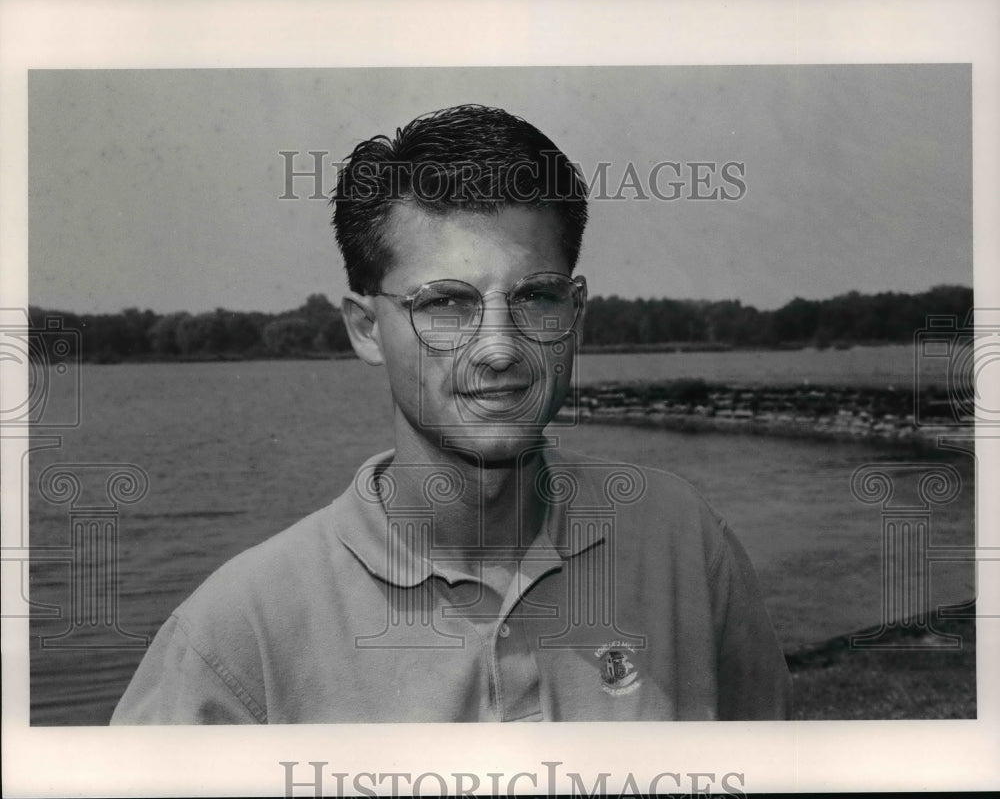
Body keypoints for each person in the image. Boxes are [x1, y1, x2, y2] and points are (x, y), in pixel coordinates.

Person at [111, 104, 790, 723]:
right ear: (365, 328)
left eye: (537, 298)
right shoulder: (237, 636)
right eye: (445, 304)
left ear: (576, 317)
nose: (498, 349)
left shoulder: (683, 543)